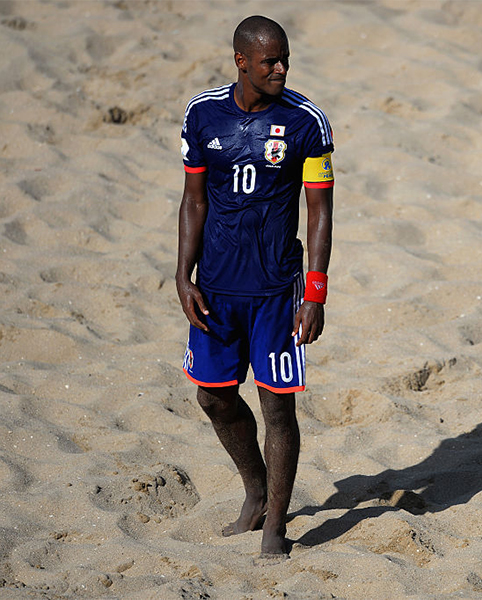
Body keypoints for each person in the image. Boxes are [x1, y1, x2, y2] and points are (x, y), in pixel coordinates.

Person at [176, 15, 334, 558]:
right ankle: (256, 491)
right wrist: (183, 274)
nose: (281, 68)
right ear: (241, 61)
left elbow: (319, 211)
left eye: (285, 58)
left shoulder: (306, 122)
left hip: (276, 290)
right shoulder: (203, 115)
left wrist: (315, 293)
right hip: (217, 288)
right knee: (214, 398)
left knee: (278, 410)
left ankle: (276, 527)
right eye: (270, 61)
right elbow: (194, 200)